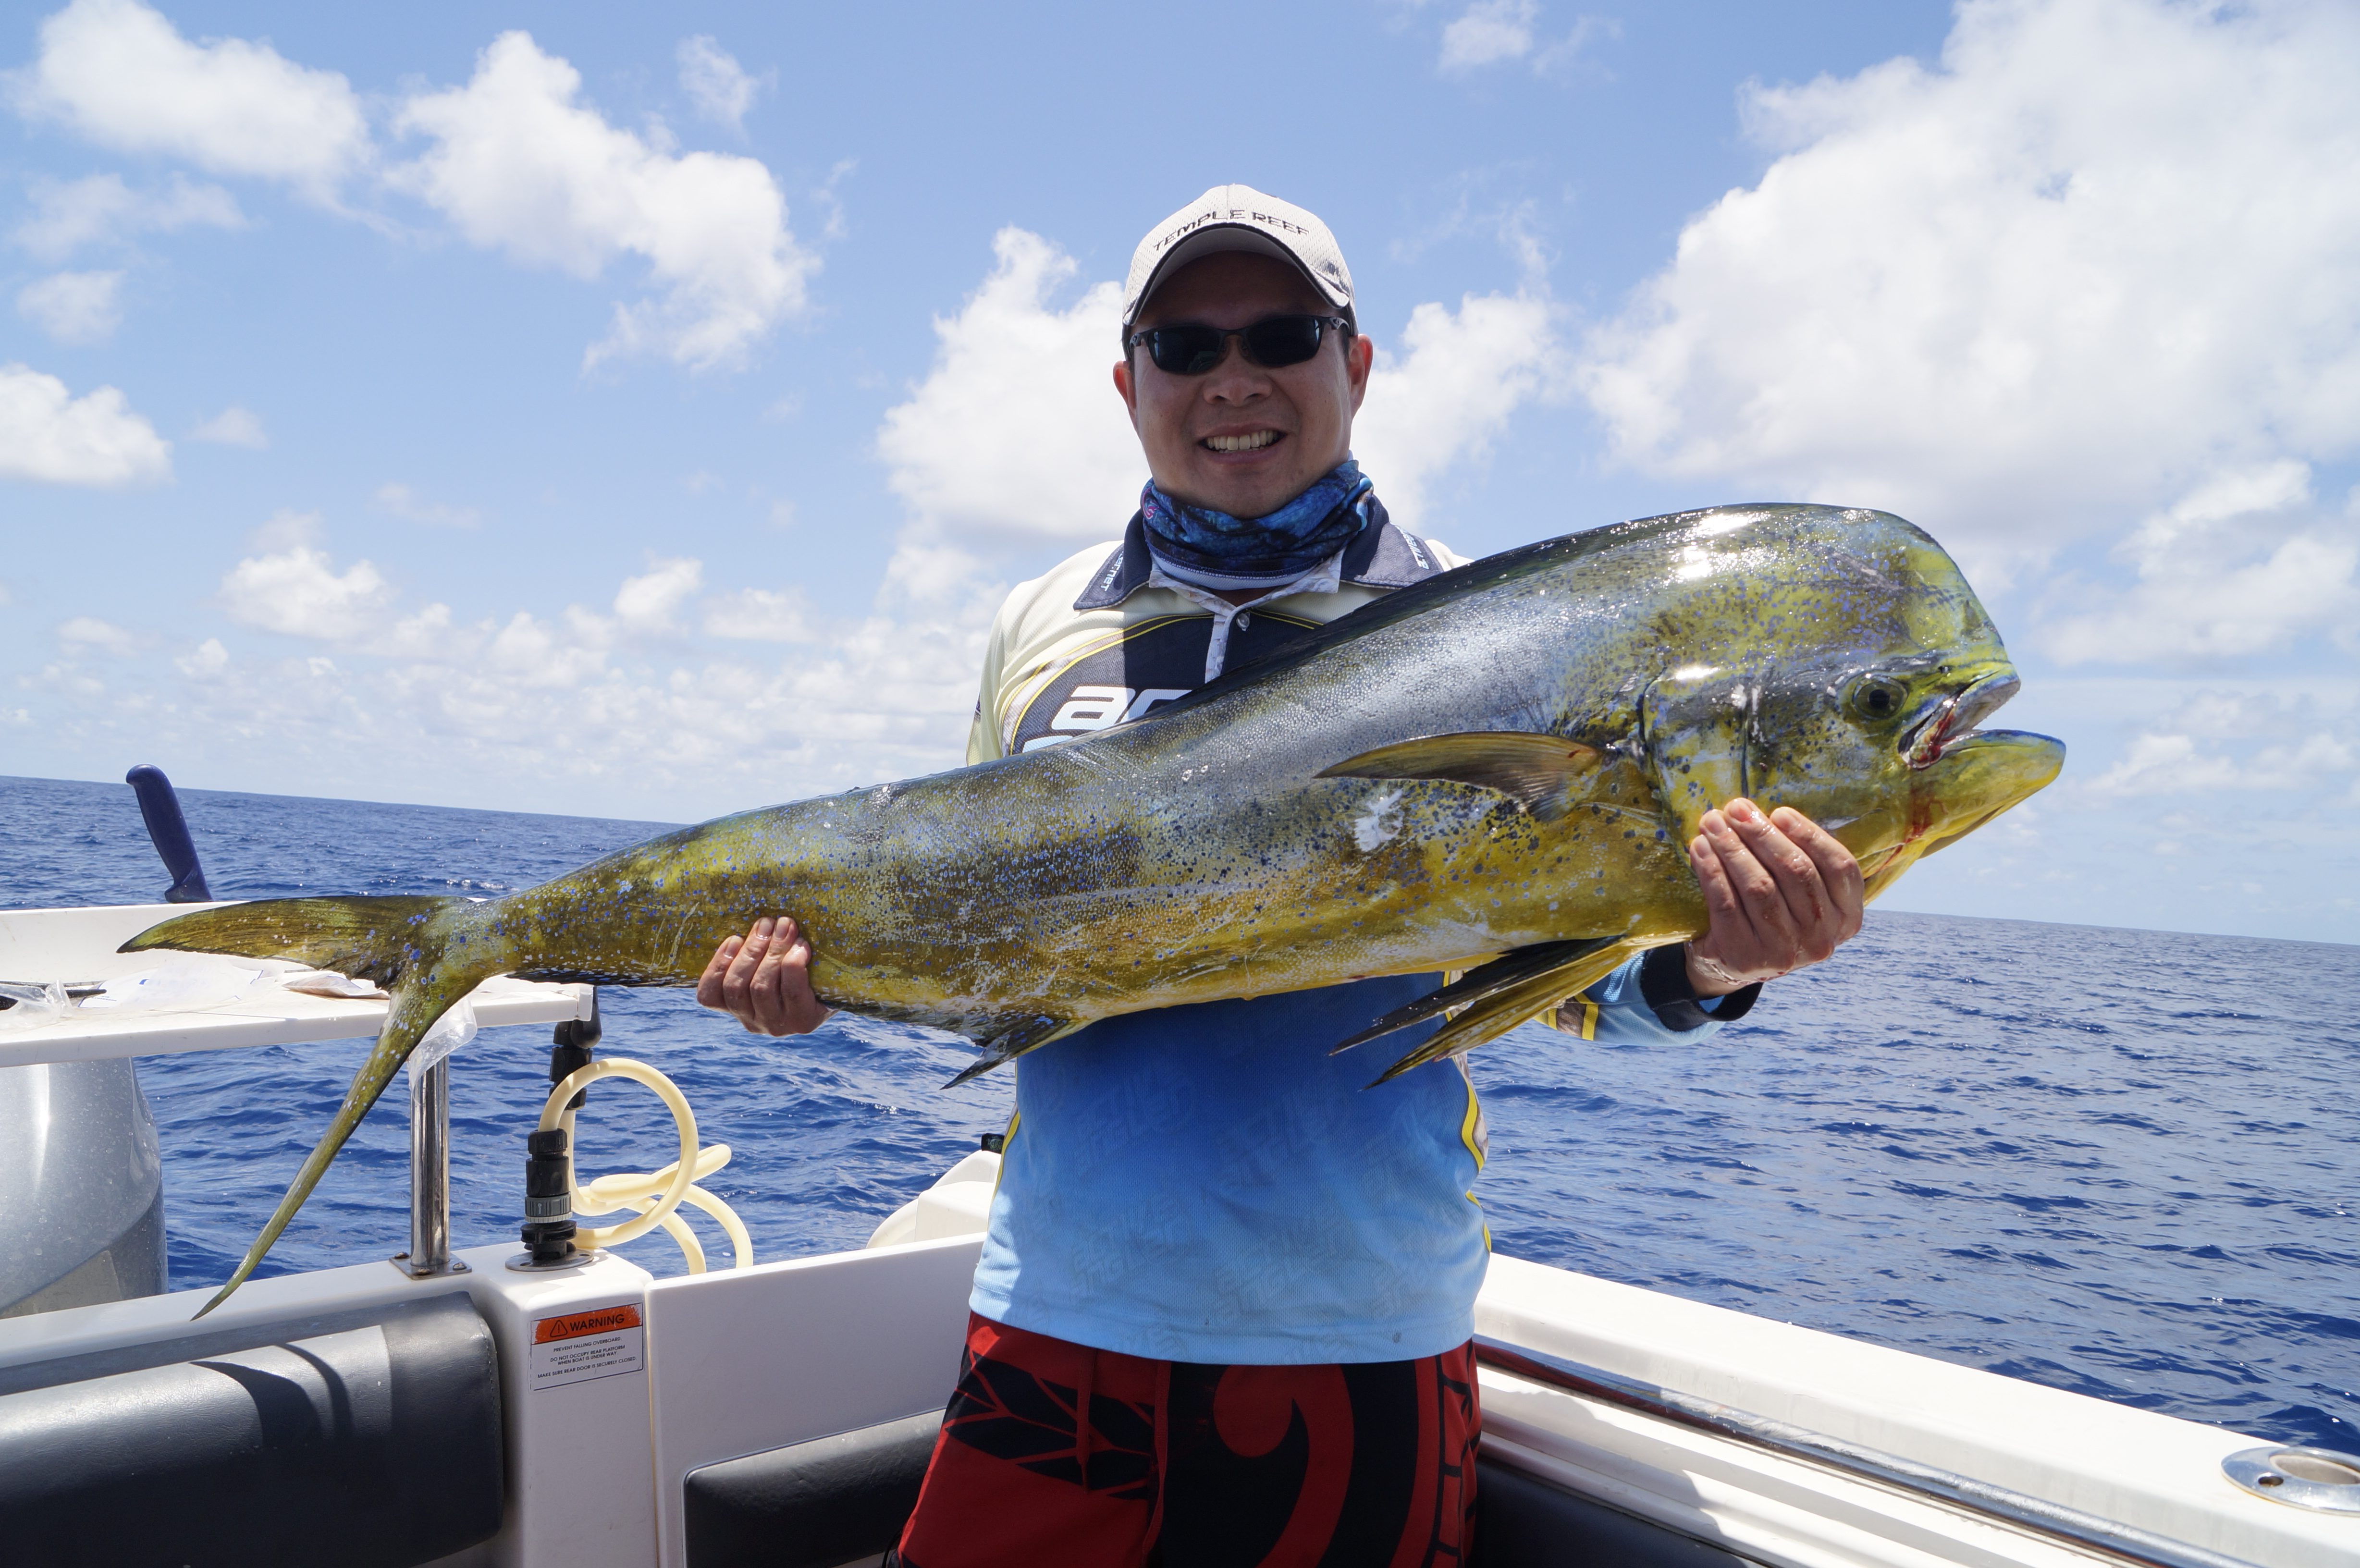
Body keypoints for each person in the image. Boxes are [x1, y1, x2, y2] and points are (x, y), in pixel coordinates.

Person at [699, 185, 1864, 1568]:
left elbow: (1583, 993)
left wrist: (1720, 959)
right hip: (1056, 1322)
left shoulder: (1487, 634)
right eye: (1187, 349)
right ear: (1131, 384)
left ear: (1353, 364)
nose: (1234, 380)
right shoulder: (1043, 627)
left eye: (1283, 335)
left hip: (1352, 1348)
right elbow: (983, 951)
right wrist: (817, 983)